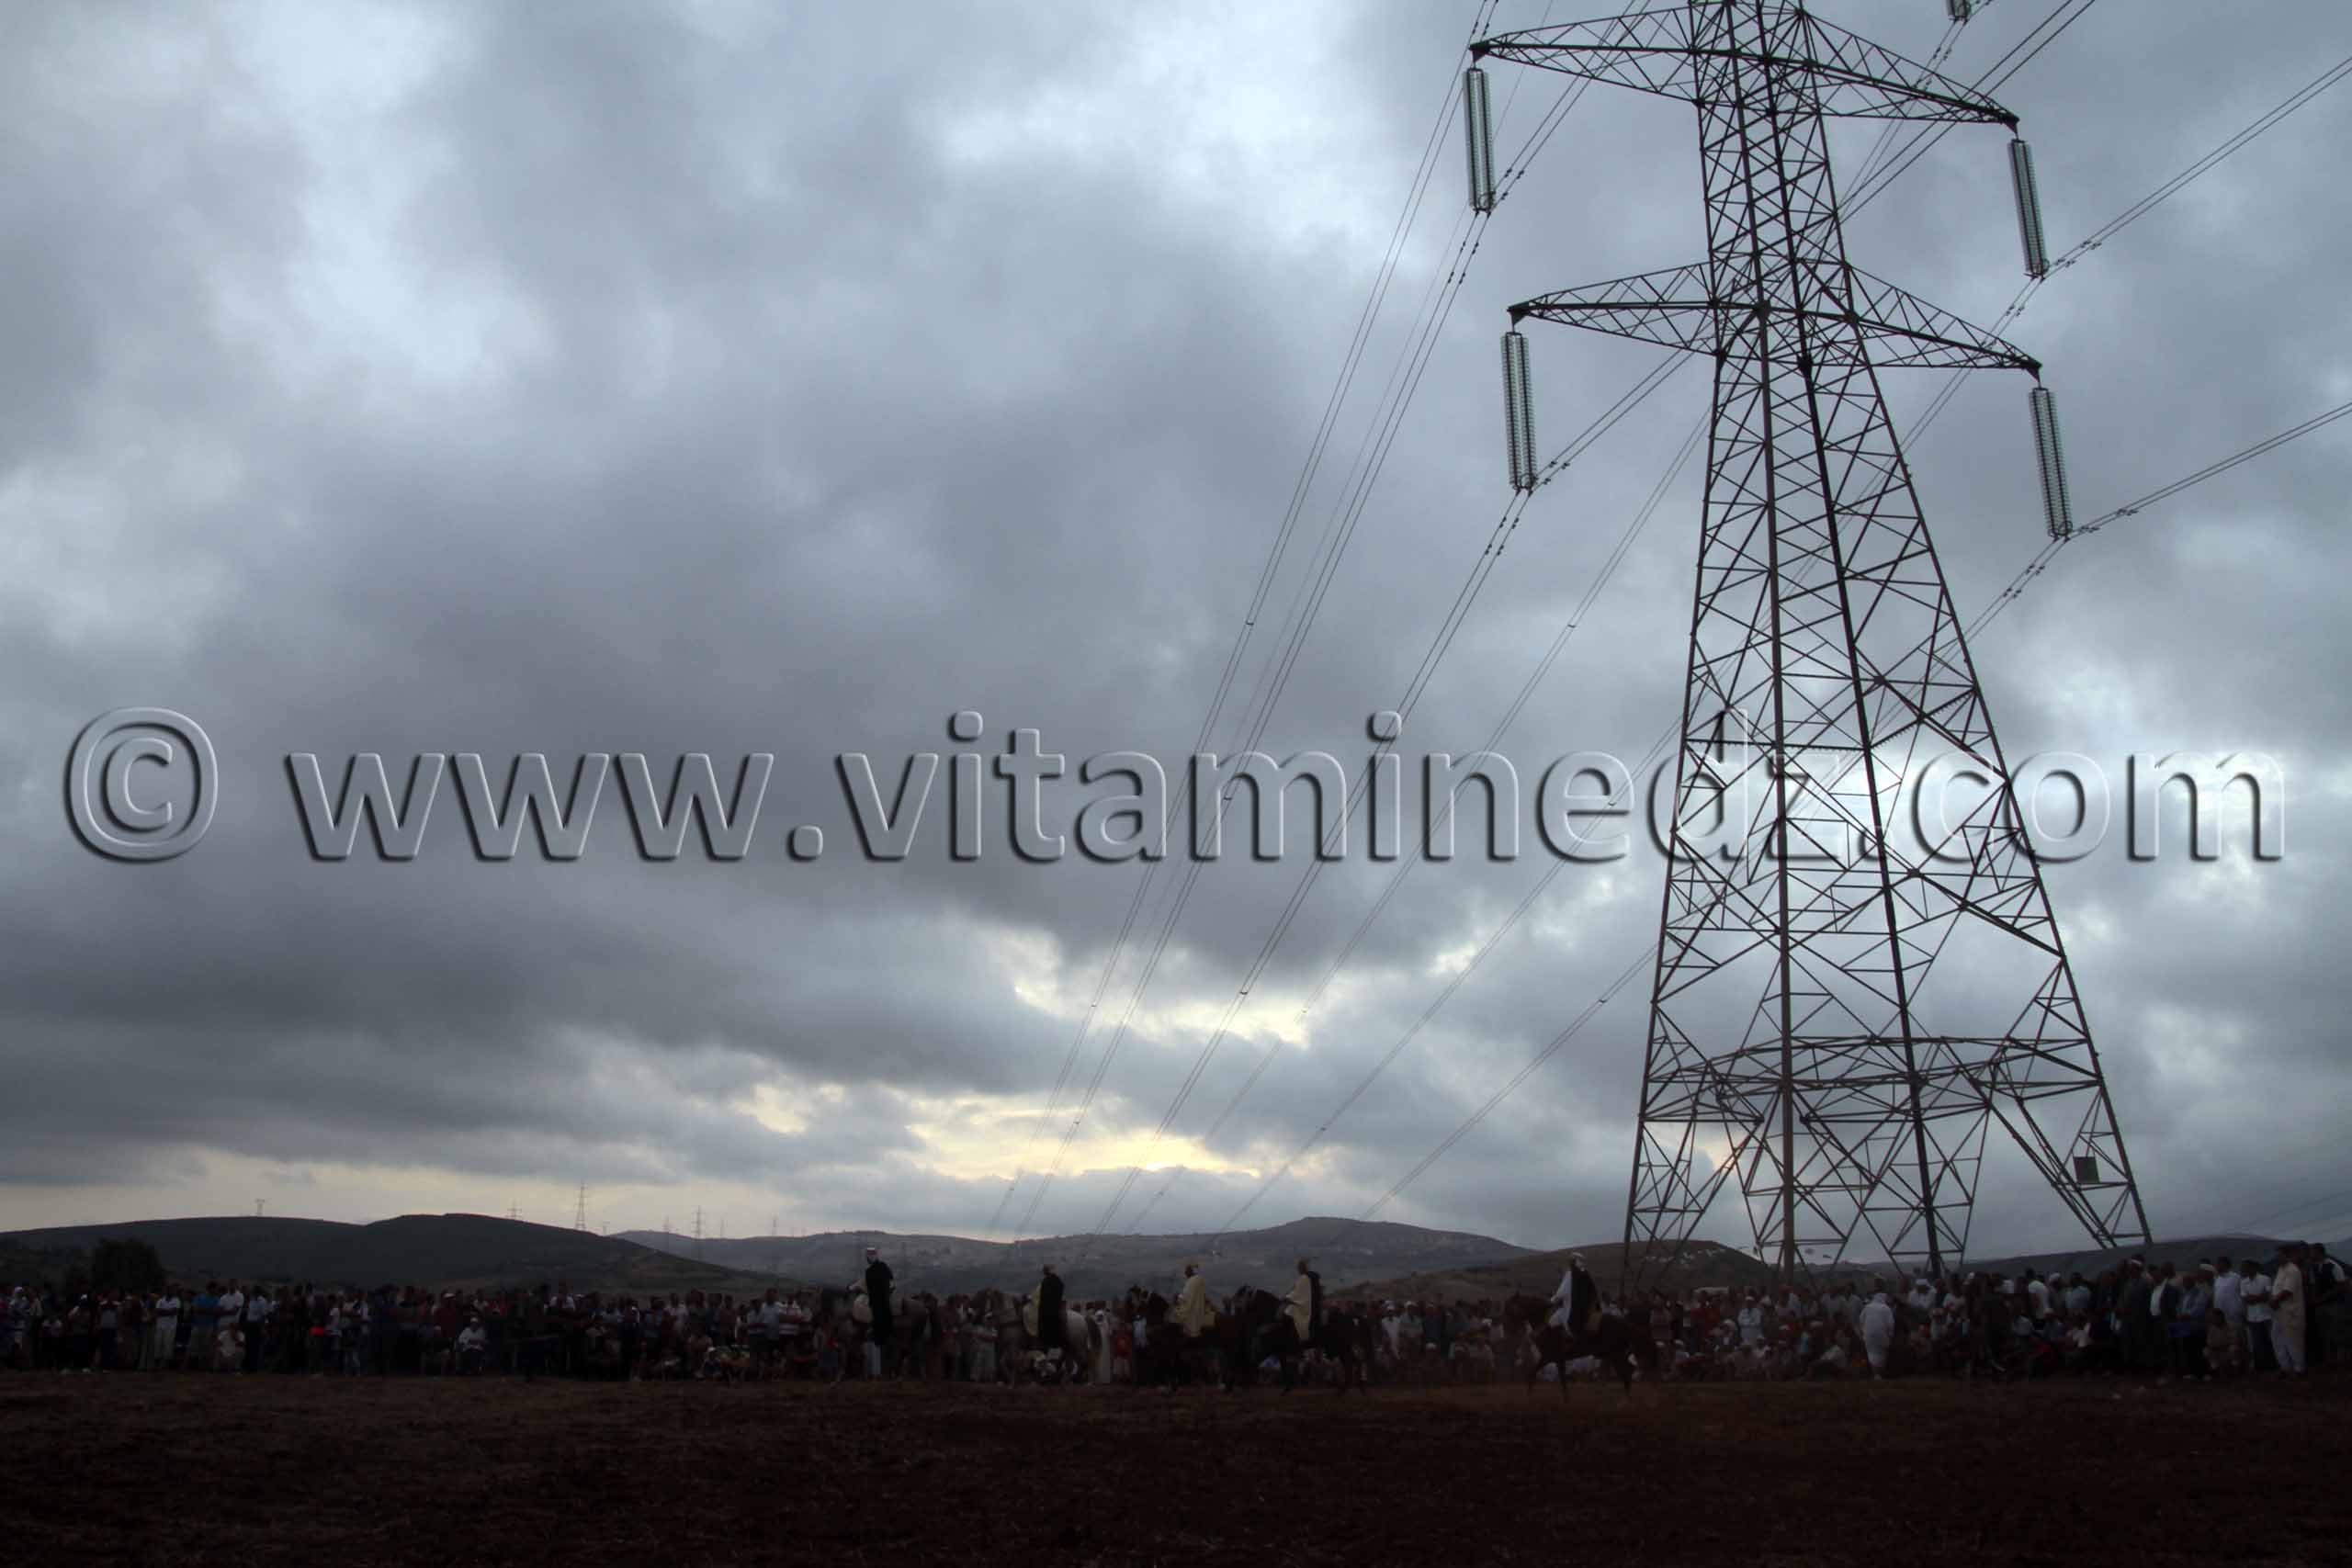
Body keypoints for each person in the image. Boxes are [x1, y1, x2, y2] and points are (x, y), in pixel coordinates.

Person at [2269, 1244, 2308, 1376]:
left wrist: (2274, 1300)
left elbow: (2287, 1291)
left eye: (2279, 1255)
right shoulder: (2281, 1269)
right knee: (2277, 1338)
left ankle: (2299, 1368)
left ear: (2287, 1256)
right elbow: (2277, 1288)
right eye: (2276, 1256)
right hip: (2278, 1311)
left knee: (2293, 1340)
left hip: (2290, 1311)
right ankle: (2285, 1366)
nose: (2277, 1258)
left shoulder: (2293, 1270)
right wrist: (2272, 1299)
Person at [1550, 1254, 1599, 1340]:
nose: (1569, 1264)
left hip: (1571, 1311)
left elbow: (1561, 1293)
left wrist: (1552, 1300)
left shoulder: (1570, 1274)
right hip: (1587, 1311)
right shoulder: (1586, 1274)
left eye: (1571, 1262)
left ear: (1574, 1262)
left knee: (1552, 1322)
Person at [863, 1247, 895, 1377]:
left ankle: (877, 1370)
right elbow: (892, 1283)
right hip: (887, 1305)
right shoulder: (885, 1266)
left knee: (876, 1334)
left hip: (876, 1306)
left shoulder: (869, 1272)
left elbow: (869, 1290)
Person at [1859, 1291, 1895, 1379]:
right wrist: (1891, 1334)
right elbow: (1891, 1324)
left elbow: (1861, 1319)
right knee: (1882, 1354)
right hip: (1882, 1334)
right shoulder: (1886, 1308)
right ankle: (1880, 1374)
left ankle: (1876, 1374)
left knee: (1871, 1354)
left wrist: (1863, 1330)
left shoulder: (1867, 1307)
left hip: (1868, 1334)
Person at [1035, 1265, 1067, 1359]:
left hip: (1047, 1310)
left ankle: (1041, 1341)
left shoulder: (1045, 1281)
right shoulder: (1058, 1280)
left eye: (1044, 1271)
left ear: (1046, 1272)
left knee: (1039, 1320)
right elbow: (1062, 1288)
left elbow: (1041, 1297)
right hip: (1056, 1308)